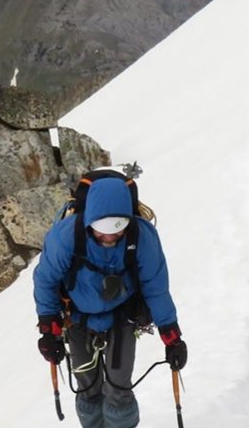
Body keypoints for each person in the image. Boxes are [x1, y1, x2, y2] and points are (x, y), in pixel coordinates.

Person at [34, 175, 186, 428]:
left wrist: (171, 335)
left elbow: (156, 288)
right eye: (102, 231)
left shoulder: (142, 236)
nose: (110, 237)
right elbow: (46, 280)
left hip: (122, 317)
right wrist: (49, 327)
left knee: (118, 386)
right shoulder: (66, 236)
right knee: (88, 388)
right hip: (77, 317)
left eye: (117, 230)